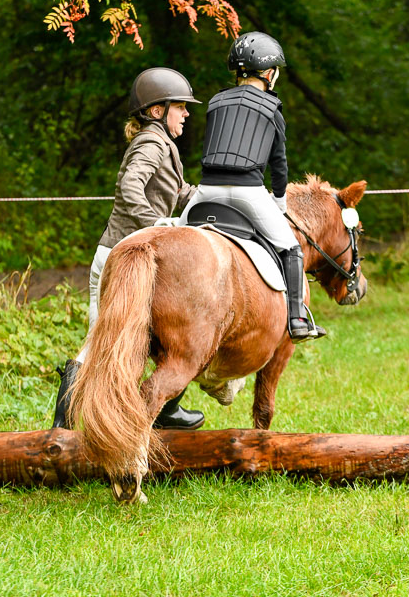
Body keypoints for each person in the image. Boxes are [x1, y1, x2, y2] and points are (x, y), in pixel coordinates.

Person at [52, 67, 205, 431]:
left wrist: (212, 195)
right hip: (119, 258)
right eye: (180, 107)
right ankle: (62, 430)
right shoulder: (152, 142)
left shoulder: (162, 143)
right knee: (99, 344)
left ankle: (160, 411)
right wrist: (156, 224)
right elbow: (130, 187)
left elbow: (177, 192)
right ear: (156, 111)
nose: (186, 113)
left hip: (125, 256)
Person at [179, 32, 326, 341]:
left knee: (174, 238)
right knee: (292, 248)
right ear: (269, 73)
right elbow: (279, 164)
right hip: (248, 192)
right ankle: (298, 319)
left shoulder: (216, 101)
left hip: (206, 190)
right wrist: (280, 202)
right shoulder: (272, 107)